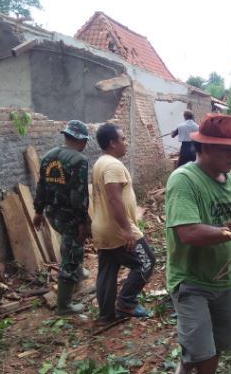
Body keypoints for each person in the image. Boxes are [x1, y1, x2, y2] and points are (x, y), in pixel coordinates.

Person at [165, 113, 231, 374]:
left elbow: (223, 224)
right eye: (225, 150)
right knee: (203, 354)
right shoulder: (184, 180)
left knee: (212, 348)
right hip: (191, 281)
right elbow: (189, 233)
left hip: (222, 280)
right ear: (204, 147)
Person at [91, 123, 155, 323]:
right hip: (117, 229)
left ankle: (106, 314)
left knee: (108, 270)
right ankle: (127, 302)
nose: (126, 143)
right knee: (147, 262)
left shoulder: (100, 162)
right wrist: (127, 229)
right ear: (112, 143)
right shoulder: (113, 165)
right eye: (123, 139)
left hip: (102, 227)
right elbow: (114, 198)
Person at [33, 120, 91, 315]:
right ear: (82, 140)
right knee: (71, 253)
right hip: (70, 216)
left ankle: (78, 271)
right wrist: (83, 222)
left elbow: (41, 186)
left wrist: (38, 212)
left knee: (71, 244)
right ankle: (64, 306)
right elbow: (79, 195)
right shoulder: (79, 160)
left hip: (52, 213)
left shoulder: (48, 156)